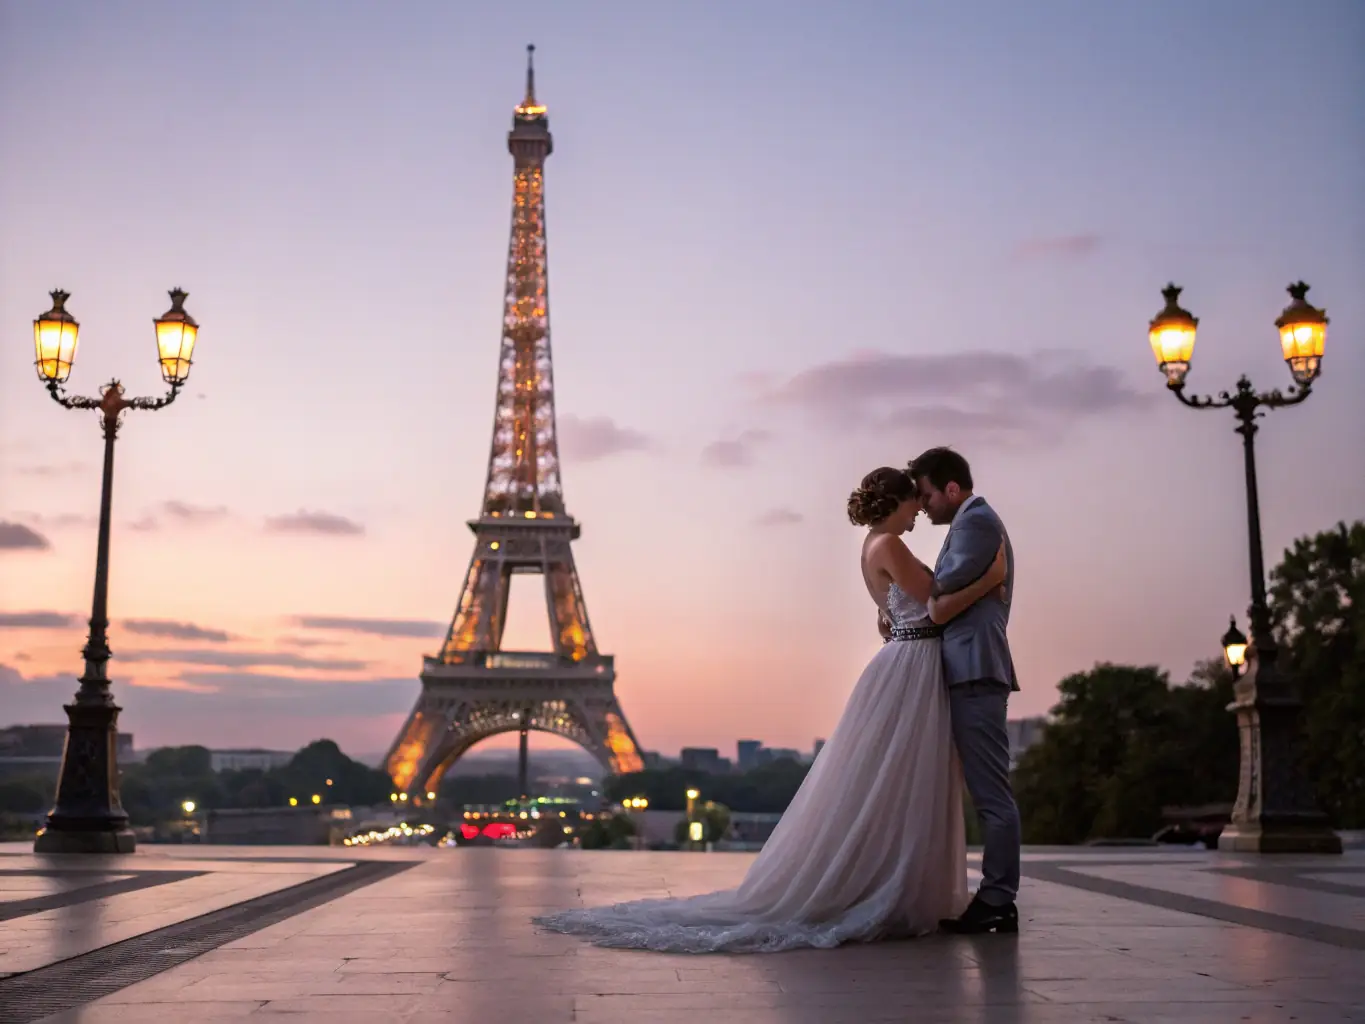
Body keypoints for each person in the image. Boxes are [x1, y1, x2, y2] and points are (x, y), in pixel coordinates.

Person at [532, 467, 1008, 953]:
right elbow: (936, 607)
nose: (920, 512)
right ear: (898, 501)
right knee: (904, 781)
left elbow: (894, 609)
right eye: (915, 503)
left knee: (894, 782)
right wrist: (990, 578)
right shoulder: (889, 544)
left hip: (906, 662)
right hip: (912, 665)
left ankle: (882, 878)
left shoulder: (870, 546)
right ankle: (892, 882)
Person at [908, 447, 1021, 936]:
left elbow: (940, 588)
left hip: (976, 670)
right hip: (967, 669)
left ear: (952, 489)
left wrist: (918, 589)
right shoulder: (970, 523)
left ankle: (997, 899)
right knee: (985, 793)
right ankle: (995, 898)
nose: (924, 504)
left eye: (928, 494)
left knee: (991, 794)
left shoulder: (976, 523)